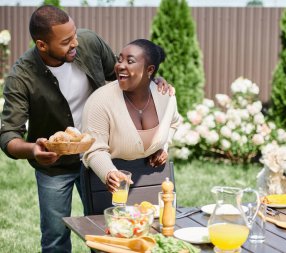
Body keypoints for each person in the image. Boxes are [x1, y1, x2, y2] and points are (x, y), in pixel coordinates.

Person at [0, 5, 172, 253]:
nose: (76, 43)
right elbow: (8, 136)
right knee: (55, 237)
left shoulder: (89, 43)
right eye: (66, 41)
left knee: (112, 227)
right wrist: (34, 150)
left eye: (75, 34)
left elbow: (122, 75)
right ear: (42, 45)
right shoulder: (22, 76)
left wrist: (151, 81)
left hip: (100, 156)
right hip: (54, 168)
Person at [82, 39, 180, 193]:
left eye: (130, 61)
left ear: (149, 70)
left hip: (152, 178)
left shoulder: (165, 97)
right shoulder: (100, 101)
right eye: (119, 59)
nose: (120, 65)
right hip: (109, 184)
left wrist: (163, 147)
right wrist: (109, 173)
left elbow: (174, 123)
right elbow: (94, 149)